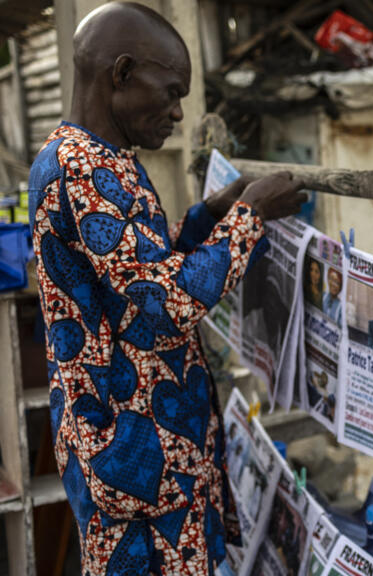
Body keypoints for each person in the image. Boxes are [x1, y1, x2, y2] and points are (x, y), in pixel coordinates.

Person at [28, 4, 307, 574]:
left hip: (154, 456)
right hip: (134, 462)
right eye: (172, 91)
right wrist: (249, 216)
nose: (179, 113)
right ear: (122, 74)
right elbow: (158, 304)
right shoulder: (81, 168)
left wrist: (211, 214)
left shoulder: (105, 159)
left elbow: (136, 269)